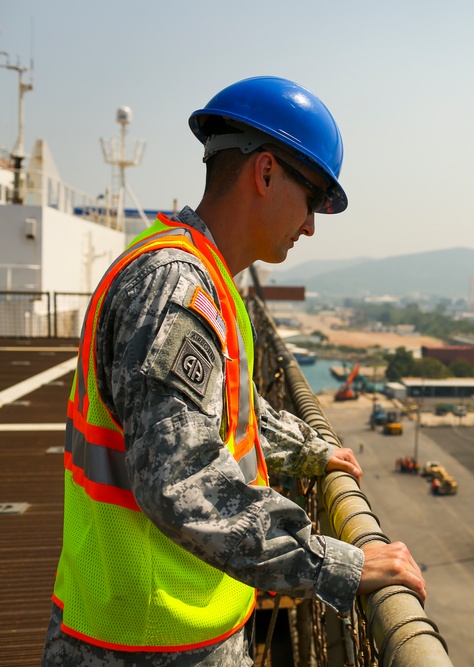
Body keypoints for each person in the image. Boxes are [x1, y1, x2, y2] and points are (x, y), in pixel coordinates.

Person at [42, 77, 426, 666]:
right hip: (146, 640)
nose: (311, 225)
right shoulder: (175, 286)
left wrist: (307, 447)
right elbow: (180, 478)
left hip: (168, 624)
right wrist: (335, 563)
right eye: (314, 197)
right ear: (266, 173)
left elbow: (225, 409)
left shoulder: (206, 275)